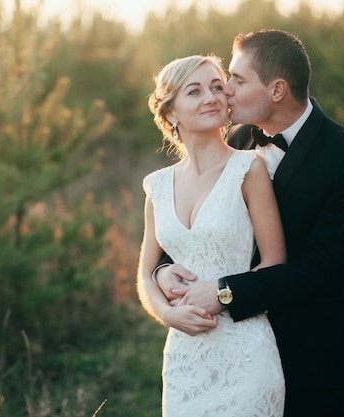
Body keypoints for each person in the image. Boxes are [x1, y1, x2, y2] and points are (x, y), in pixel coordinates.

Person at [152, 30, 344, 417]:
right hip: (225, 347)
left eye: (236, 82)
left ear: (277, 90)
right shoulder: (234, 140)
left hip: (312, 351)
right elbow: (192, 235)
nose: (225, 93)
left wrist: (226, 293)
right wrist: (162, 273)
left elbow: (324, 268)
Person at [137, 54, 286, 417]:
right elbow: (145, 274)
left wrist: (224, 293)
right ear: (171, 112)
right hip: (184, 360)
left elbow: (274, 263)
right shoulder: (157, 186)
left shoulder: (249, 168)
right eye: (195, 91)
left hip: (245, 352)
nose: (212, 97)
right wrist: (167, 316)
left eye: (217, 87)